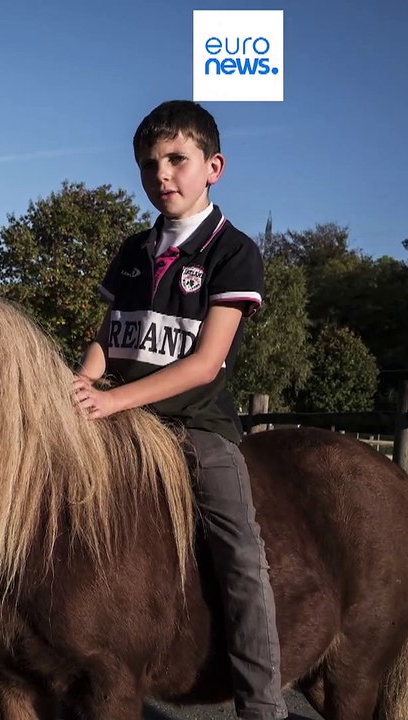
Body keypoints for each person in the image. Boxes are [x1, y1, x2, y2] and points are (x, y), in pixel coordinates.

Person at [70, 100, 287, 720]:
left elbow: (205, 363)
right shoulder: (133, 250)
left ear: (213, 167)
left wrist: (110, 399)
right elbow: (108, 335)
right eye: (148, 164)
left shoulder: (233, 252)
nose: (161, 174)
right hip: (120, 417)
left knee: (242, 554)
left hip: (196, 427)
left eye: (176, 160)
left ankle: (263, 706)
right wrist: (80, 383)